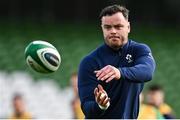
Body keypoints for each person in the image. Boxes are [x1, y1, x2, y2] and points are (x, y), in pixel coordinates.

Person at [78, 4, 156, 119]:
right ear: (102, 28)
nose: (113, 31)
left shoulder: (139, 50)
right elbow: (87, 107)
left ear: (128, 27)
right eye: (108, 27)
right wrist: (100, 105)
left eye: (118, 26)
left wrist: (119, 72)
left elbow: (147, 71)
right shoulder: (90, 61)